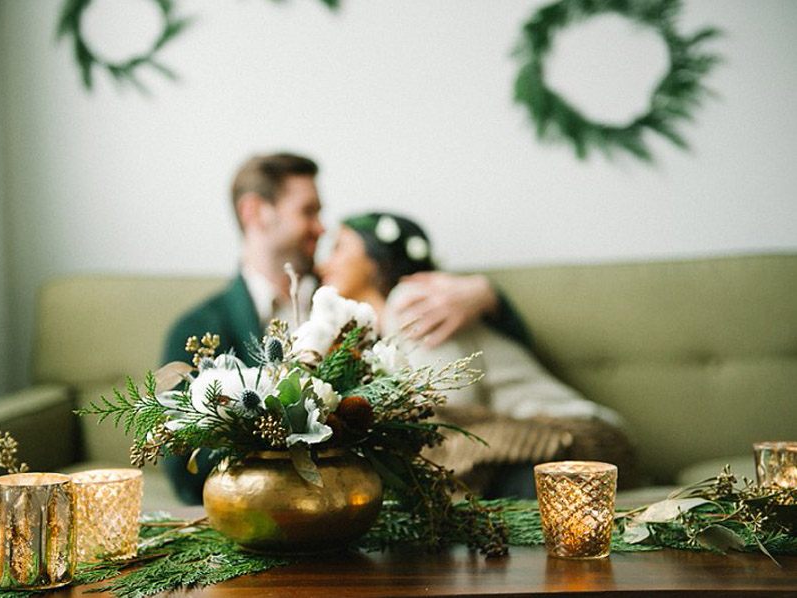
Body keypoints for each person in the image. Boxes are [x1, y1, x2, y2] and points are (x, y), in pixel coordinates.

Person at [162, 153, 525, 503]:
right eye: (309, 211)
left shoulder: (354, 293)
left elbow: (493, 358)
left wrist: (488, 295)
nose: (321, 228)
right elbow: (182, 462)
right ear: (255, 212)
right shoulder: (198, 327)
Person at [318, 212, 629, 497]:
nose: (323, 263)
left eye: (339, 247)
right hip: (523, 448)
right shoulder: (381, 333)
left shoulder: (414, 301)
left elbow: (449, 408)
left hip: (574, 437)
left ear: (376, 260)